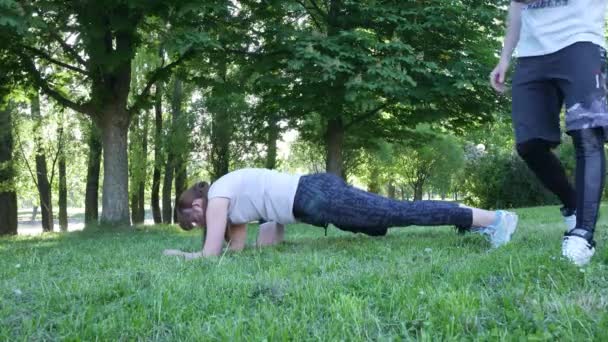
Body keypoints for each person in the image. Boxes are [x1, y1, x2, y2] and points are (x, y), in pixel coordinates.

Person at [163, 168, 518, 260]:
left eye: (194, 221)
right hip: (315, 200)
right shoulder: (230, 201)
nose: (200, 224)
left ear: (196, 205)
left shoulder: (220, 195)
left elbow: (210, 255)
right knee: (384, 221)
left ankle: (494, 220)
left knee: (399, 212)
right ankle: (470, 219)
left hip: (317, 196)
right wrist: (266, 237)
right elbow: (235, 249)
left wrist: (185, 254)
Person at [490, 0, 607, 266]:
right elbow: (517, 8)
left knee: (588, 134)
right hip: (531, 54)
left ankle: (583, 234)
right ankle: (572, 203)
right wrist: (505, 57)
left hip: (581, 42)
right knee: (529, 144)